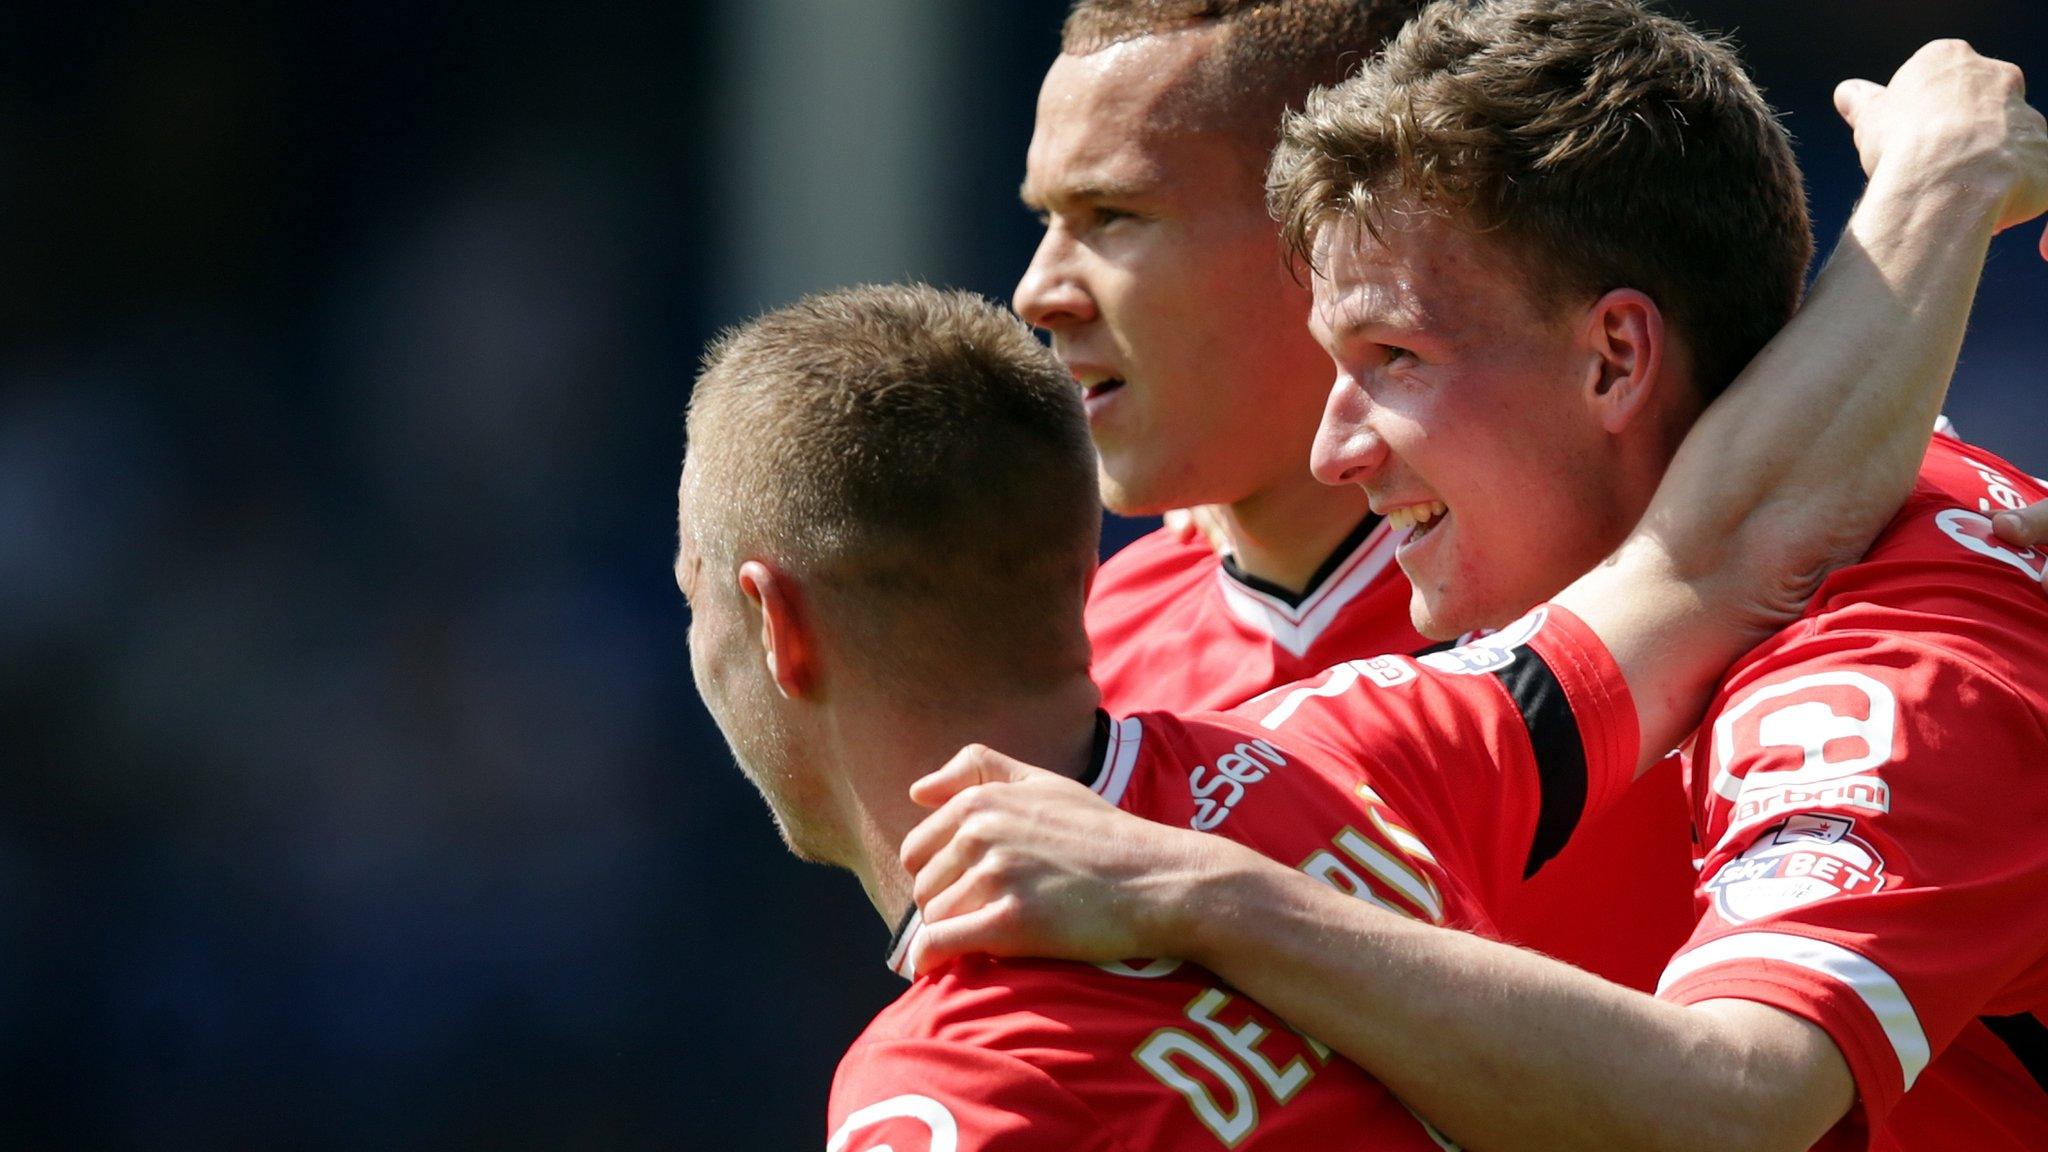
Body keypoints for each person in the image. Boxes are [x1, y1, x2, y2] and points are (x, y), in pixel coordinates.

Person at [681, 57, 2034, 1146]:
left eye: (1115, 216)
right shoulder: (1359, 715)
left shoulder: (1888, 661)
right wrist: (1938, 188)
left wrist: (1213, 893)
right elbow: (1713, 550)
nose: (1042, 286)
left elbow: (1740, 1107)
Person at [1015, 0, 1697, 992]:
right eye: (1046, 219)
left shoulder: (1637, 534)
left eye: (1112, 216)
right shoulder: (1077, 662)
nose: (1040, 290)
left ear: (1323, 225)